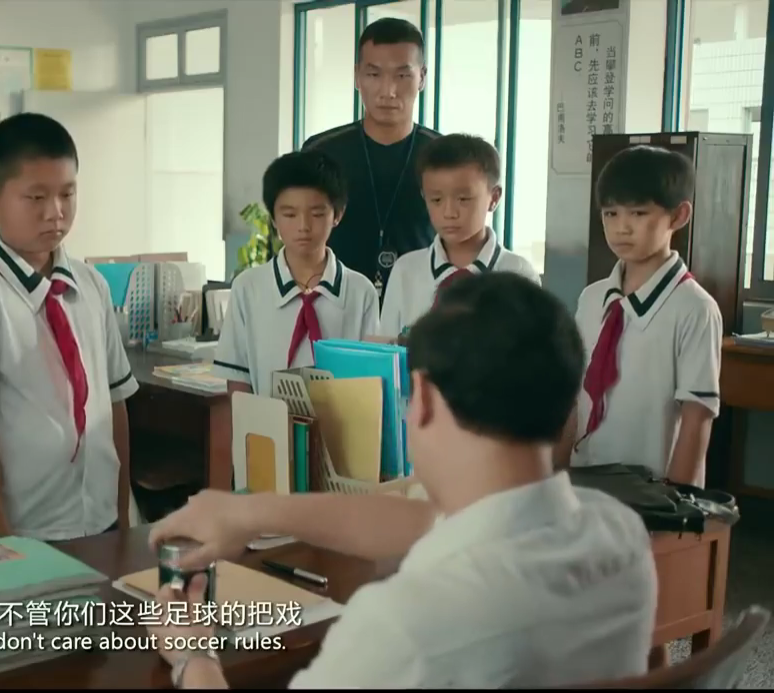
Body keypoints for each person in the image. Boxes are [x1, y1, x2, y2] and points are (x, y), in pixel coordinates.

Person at [147, 272, 657, 689]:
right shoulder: (620, 536)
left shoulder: (404, 627)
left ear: (424, 400)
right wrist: (247, 512)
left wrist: (193, 657)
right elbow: (425, 522)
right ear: (568, 406)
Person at [0, 113, 138, 541]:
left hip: (100, 518)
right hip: (28, 531)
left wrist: (123, 510)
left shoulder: (90, 285)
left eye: (67, 193)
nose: (56, 212)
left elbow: (115, 401)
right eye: (36, 197)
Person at [556, 145, 721, 488]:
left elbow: (697, 416)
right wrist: (555, 477)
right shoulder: (592, 298)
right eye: (611, 214)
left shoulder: (694, 308)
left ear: (678, 216)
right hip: (585, 479)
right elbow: (574, 397)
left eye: (639, 213)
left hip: (653, 491)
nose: (622, 228)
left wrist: (676, 502)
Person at [213, 150, 379, 396]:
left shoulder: (360, 291)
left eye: (317, 214)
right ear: (273, 218)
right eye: (290, 215)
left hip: (342, 419)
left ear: (337, 215)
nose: (303, 226)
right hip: (267, 419)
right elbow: (237, 378)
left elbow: (370, 378)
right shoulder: (248, 288)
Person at [303, 17, 440, 299]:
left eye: (402, 76)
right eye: (374, 74)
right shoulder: (321, 152)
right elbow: (299, 236)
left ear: (422, 77)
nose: (388, 91)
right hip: (335, 304)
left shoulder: (444, 155)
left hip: (423, 307)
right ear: (357, 76)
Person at [379, 133, 539, 339]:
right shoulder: (406, 270)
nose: (449, 213)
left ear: (494, 198)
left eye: (463, 199)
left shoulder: (519, 273)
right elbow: (386, 347)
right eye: (436, 200)